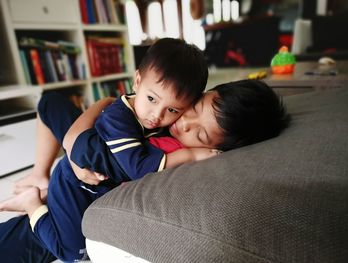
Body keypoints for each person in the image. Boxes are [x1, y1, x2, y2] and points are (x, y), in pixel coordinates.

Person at [0, 78, 290, 262]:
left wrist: (77, 154)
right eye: (196, 106)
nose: (184, 123)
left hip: (83, 184)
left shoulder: (180, 157)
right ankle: (40, 174)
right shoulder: (168, 109)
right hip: (88, 150)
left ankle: (34, 204)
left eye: (200, 135)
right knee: (50, 101)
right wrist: (74, 145)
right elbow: (111, 104)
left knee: (32, 244)